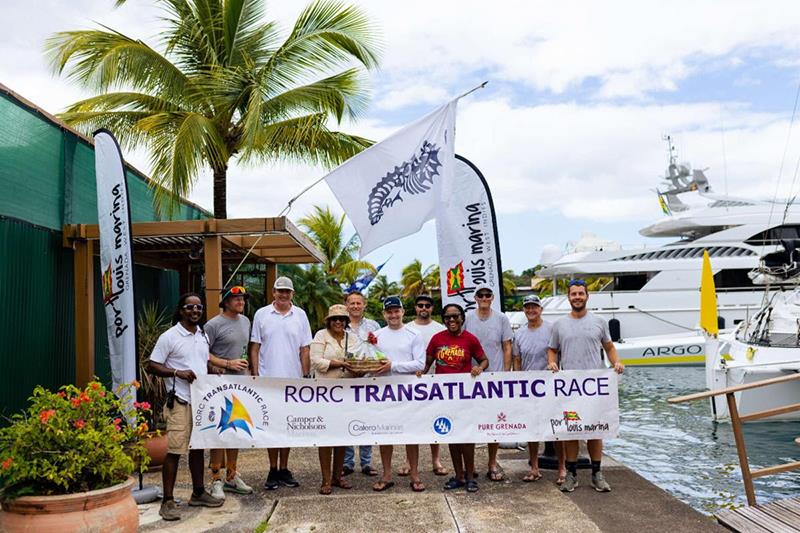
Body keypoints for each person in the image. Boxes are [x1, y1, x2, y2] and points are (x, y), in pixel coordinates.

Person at [147, 293, 224, 521]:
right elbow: (152, 365)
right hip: (179, 400)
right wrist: (177, 373)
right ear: (181, 310)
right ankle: (168, 501)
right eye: (190, 307)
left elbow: (201, 362)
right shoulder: (169, 336)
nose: (195, 311)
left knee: (198, 448)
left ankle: (198, 492)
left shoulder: (202, 335)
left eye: (199, 307)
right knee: (174, 451)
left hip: (200, 401)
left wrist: (213, 371)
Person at [547, 279, 625, 493]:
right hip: (570, 387)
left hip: (594, 386)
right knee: (571, 431)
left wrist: (616, 362)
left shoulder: (599, 321)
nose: (577, 297)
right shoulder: (559, 324)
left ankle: (596, 474)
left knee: (595, 429)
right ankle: (571, 474)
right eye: (574, 294)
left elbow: (609, 347)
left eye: (581, 293)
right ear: (568, 297)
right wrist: (552, 362)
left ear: (587, 296)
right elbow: (552, 349)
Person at [249, 276, 312, 490]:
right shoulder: (261, 314)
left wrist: (305, 376)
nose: (283, 295)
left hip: (292, 381)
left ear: (292, 294)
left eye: (287, 292)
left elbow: (305, 348)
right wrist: (256, 375)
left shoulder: (300, 315)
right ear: (274, 292)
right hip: (268, 380)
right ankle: (272, 469)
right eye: (280, 291)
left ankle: (284, 469)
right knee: (270, 426)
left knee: (287, 426)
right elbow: (255, 347)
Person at [419, 303, 488, 493]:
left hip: (465, 396)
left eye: (455, 316)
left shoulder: (470, 339)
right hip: (444, 397)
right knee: (452, 436)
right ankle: (458, 476)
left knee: (467, 437)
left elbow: (484, 359)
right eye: (447, 317)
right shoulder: (436, 339)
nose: (451, 320)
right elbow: (426, 364)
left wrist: (479, 368)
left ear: (462, 318)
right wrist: (418, 375)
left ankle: (470, 476)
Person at [370, 296, 426, 492]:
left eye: (396, 311)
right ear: (384, 314)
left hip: (408, 391)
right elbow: (373, 362)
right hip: (384, 392)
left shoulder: (414, 334)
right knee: (385, 433)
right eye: (389, 312)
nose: (393, 315)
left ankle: (415, 474)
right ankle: (386, 474)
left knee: (411, 434)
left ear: (403, 311)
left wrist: (393, 365)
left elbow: (420, 364)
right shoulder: (376, 336)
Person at [205, 286, 254, 499]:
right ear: (225, 302)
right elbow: (202, 352)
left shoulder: (246, 321)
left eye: (242, 298)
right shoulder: (213, 325)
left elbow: (247, 350)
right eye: (235, 298)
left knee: (236, 429)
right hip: (219, 384)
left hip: (240, 384)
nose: (240, 301)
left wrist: (250, 373)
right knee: (219, 430)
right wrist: (226, 363)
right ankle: (216, 477)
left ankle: (232, 475)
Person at [512, 294, 566, 485]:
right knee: (531, 429)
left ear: (540, 309)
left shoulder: (552, 328)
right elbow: (516, 359)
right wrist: (518, 381)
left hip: (551, 386)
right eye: (527, 307)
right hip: (529, 387)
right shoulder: (519, 333)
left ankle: (562, 468)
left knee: (556, 428)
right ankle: (534, 467)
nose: (531, 310)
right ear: (524, 310)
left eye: (534, 307)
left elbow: (558, 352)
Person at [464, 284, 513, 482]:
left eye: (487, 295)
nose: (484, 298)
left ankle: (492, 463)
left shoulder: (501, 318)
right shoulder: (468, 318)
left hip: (495, 377)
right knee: (472, 421)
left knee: (495, 422)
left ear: (492, 298)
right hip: (472, 377)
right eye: (480, 295)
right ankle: (472, 464)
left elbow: (507, 346)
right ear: (475, 298)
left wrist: (505, 373)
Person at [310, 304, 360, 494]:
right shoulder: (321, 336)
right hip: (325, 392)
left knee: (342, 435)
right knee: (325, 436)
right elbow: (316, 361)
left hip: (347, 392)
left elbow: (357, 360)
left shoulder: (352, 338)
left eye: (342, 319)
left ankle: (338, 476)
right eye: (335, 319)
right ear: (329, 321)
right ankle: (325, 479)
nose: (338, 321)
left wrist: (358, 367)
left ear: (346, 321)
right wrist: (338, 363)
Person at [404, 294, 448, 477]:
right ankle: (408, 461)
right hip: (411, 383)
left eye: (427, 305)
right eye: (420, 305)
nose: (424, 308)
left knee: (434, 421)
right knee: (411, 423)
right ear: (415, 307)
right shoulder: (406, 329)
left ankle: (435, 459)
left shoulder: (441, 329)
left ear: (432, 308)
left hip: (434, 382)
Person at [342, 291, 379, 477]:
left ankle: (366, 462)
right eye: (352, 303)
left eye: (359, 303)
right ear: (346, 305)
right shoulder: (340, 324)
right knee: (347, 419)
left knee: (366, 420)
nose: (355, 306)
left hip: (368, 380)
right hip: (346, 380)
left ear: (364, 305)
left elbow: (380, 350)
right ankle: (347, 462)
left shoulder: (374, 325)